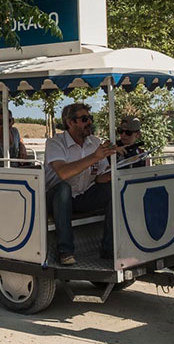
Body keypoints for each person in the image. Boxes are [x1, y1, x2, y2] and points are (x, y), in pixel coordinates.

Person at [44, 103, 122, 265]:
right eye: (84, 119)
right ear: (70, 122)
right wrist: (95, 157)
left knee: (113, 190)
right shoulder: (55, 143)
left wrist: (117, 170)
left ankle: (109, 249)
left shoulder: (94, 142)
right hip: (54, 199)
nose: (89, 123)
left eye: (90, 118)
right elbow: (63, 173)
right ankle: (65, 251)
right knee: (63, 188)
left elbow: (99, 178)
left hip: (81, 196)